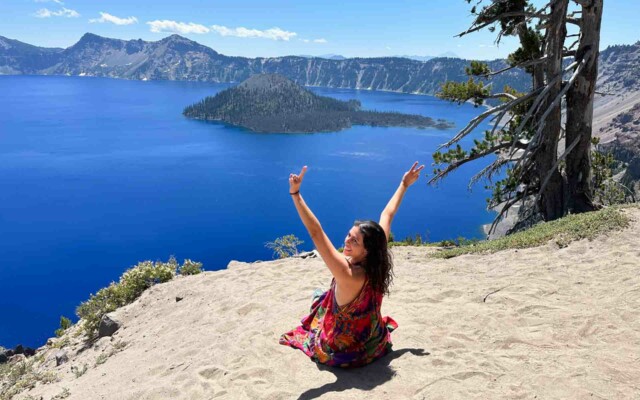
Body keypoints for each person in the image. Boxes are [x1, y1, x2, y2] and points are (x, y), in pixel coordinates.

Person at [279, 161, 425, 368]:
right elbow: (387, 214)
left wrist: (296, 194)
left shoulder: (347, 273)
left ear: (367, 249)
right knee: (322, 296)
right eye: (349, 235)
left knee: (318, 299)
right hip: (371, 340)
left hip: (341, 350)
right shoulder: (377, 258)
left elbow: (316, 232)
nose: (347, 241)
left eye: (354, 240)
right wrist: (404, 184)